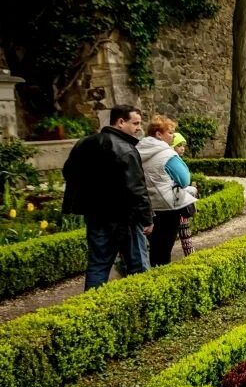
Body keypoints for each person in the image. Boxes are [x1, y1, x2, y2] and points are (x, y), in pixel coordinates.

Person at [62, 104, 154, 289]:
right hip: (125, 217)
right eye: (135, 123)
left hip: (96, 215)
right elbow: (136, 189)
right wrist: (147, 218)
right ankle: (143, 308)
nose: (139, 128)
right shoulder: (126, 150)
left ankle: (92, 309)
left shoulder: (84, 143)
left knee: (98, 264)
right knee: (138, 266)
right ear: (120, 122)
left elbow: (68, 172)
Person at [137, 115, 198, 267]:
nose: (173, 136)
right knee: (164, 250)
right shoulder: (167, 154)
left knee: (155, 248)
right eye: (170, 132)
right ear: (159, 134)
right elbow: (184, 180)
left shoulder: (137, 151)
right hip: (168, 206)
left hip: (149, 205)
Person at [171, 132, 196, 257]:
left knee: (185, 233)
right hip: (177, 202)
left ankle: (190, 254)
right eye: (179, 145)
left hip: (180, 201)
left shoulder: (178, 161)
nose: (182, 148)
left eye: (183, 146)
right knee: (183, 231)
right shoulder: (172, 162)